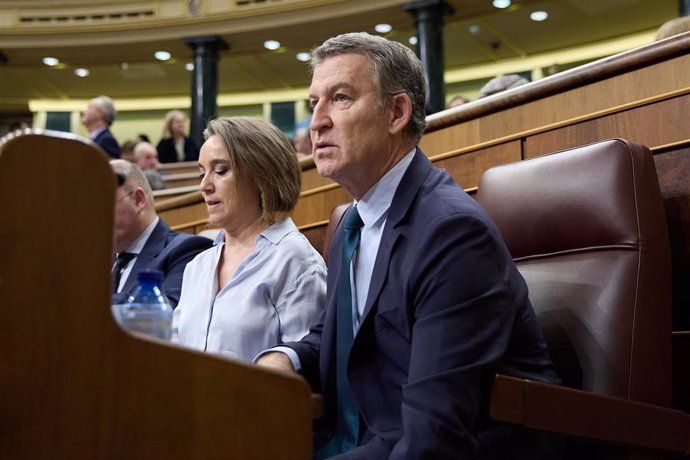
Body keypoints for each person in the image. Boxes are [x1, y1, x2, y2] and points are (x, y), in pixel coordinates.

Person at [256, 32, 559, 459]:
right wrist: (285, 358)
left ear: (397, 111)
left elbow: (436, 434)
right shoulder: (351, 224)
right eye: (313, 103)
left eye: (340, 98)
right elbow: (339, 333)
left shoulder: (450, 232)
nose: (316, 122)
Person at [172, 116, 326, 362]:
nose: (204, 185)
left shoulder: (296, 261)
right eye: (202, 173)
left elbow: (306, 370)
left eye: (220, 171)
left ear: (261, 176)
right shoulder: (197, 266)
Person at [110, 160, 212, 307]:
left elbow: (163, 313)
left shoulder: (186, 250)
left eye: (103, 204)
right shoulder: (98, 257)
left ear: (138, 200)